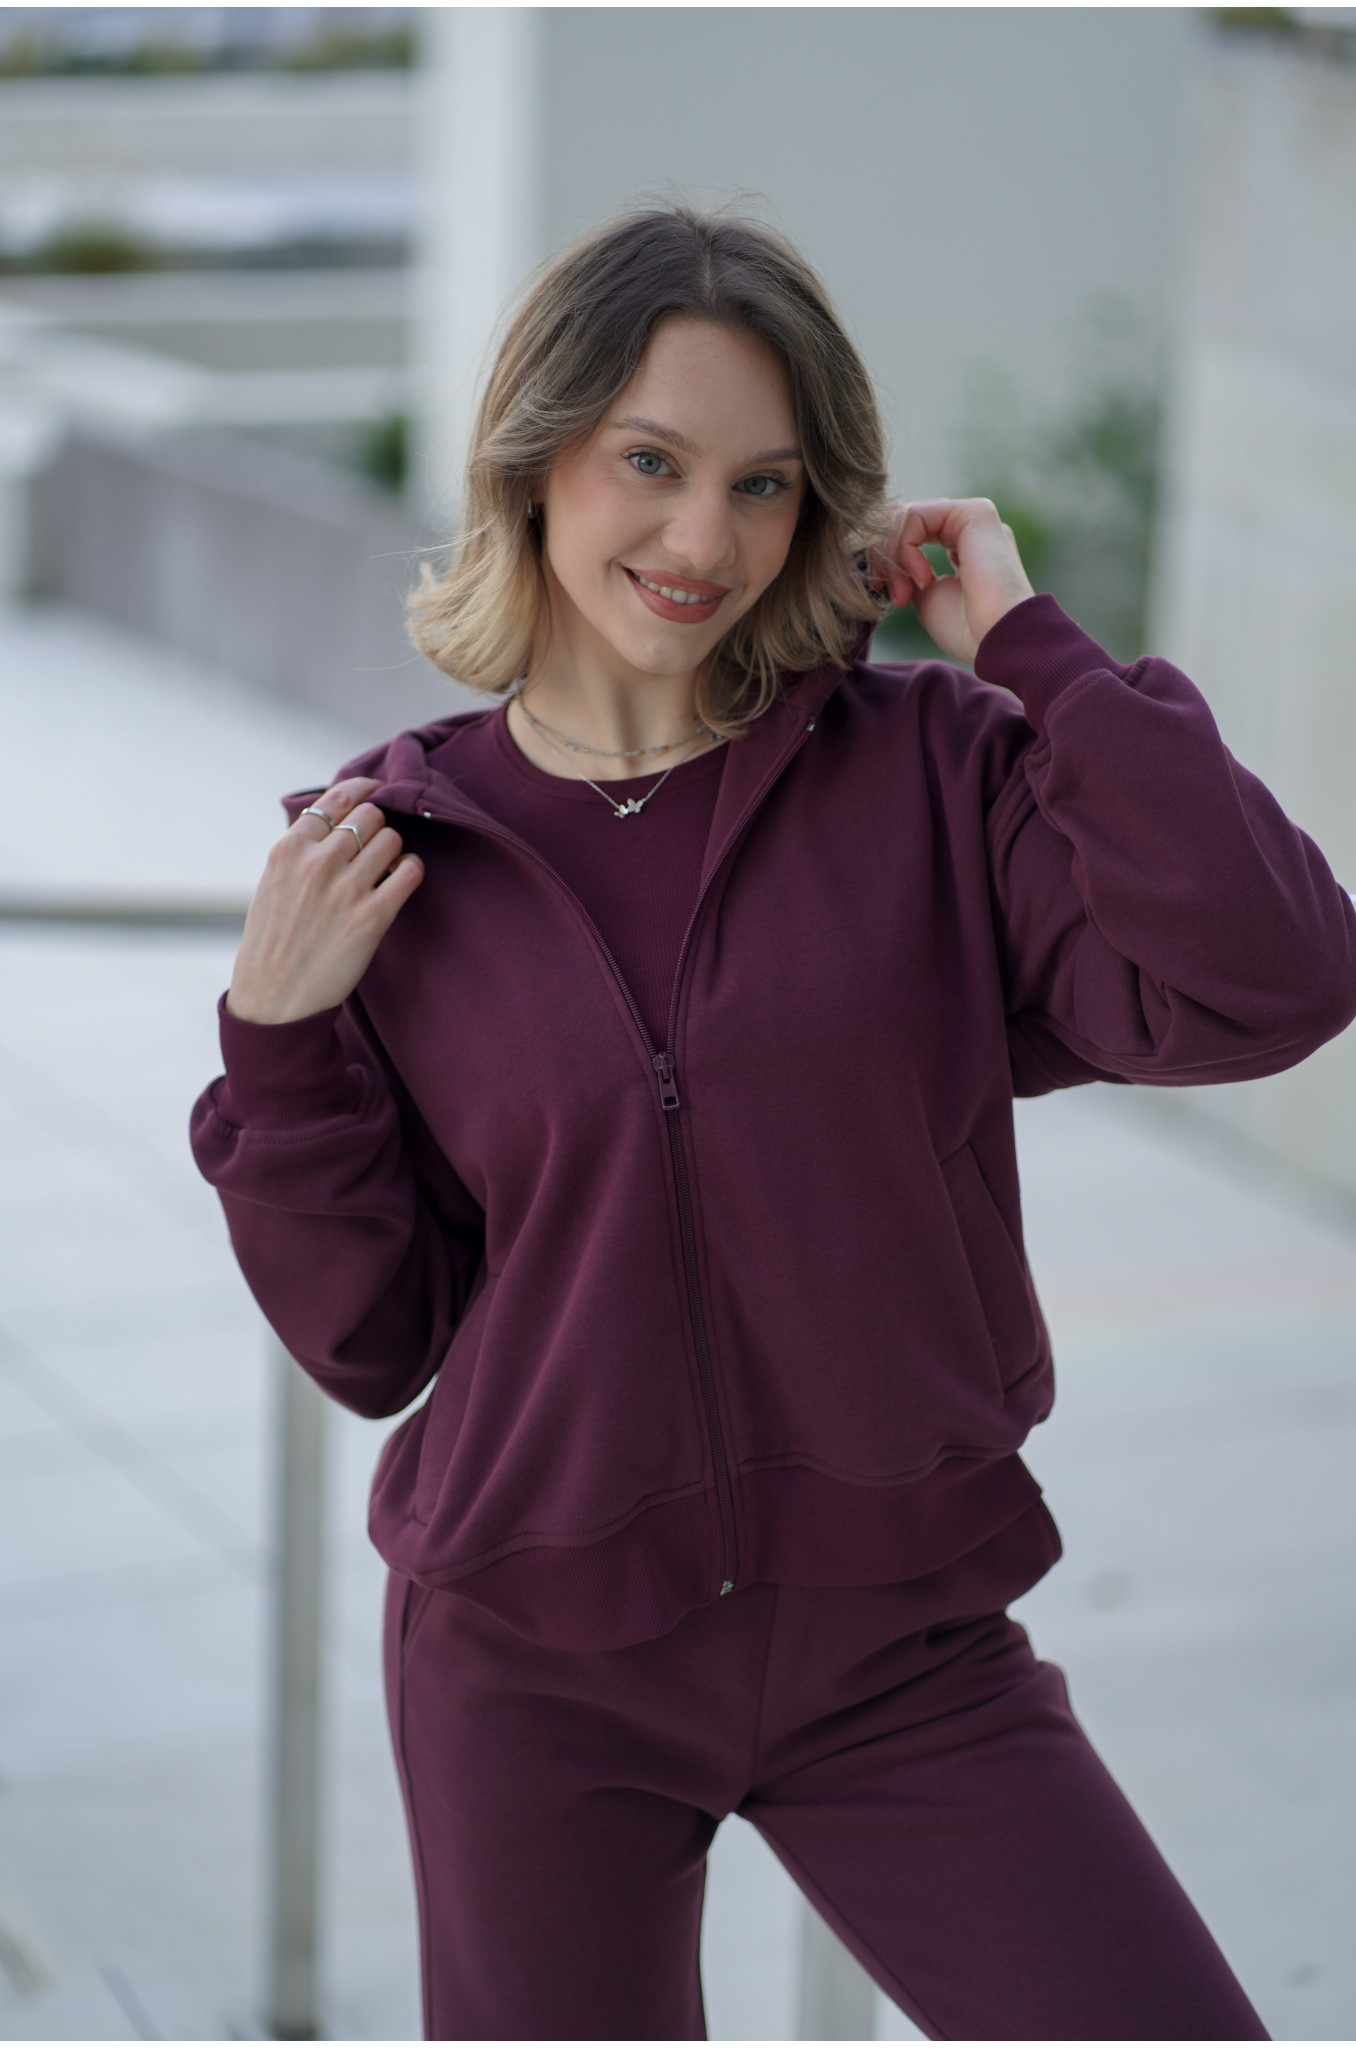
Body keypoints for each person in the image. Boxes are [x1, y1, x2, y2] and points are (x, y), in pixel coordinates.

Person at [191, 205, 1356, 2042]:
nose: (702, 543)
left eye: (763, 486)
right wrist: (275, 1045)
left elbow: (1276, 979)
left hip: (904, 1650)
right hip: (532, 1678)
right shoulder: (393, 855)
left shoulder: (935, 778)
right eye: (650, 463)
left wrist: (1036, 653)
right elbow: (371, 1343)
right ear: (538, 454)